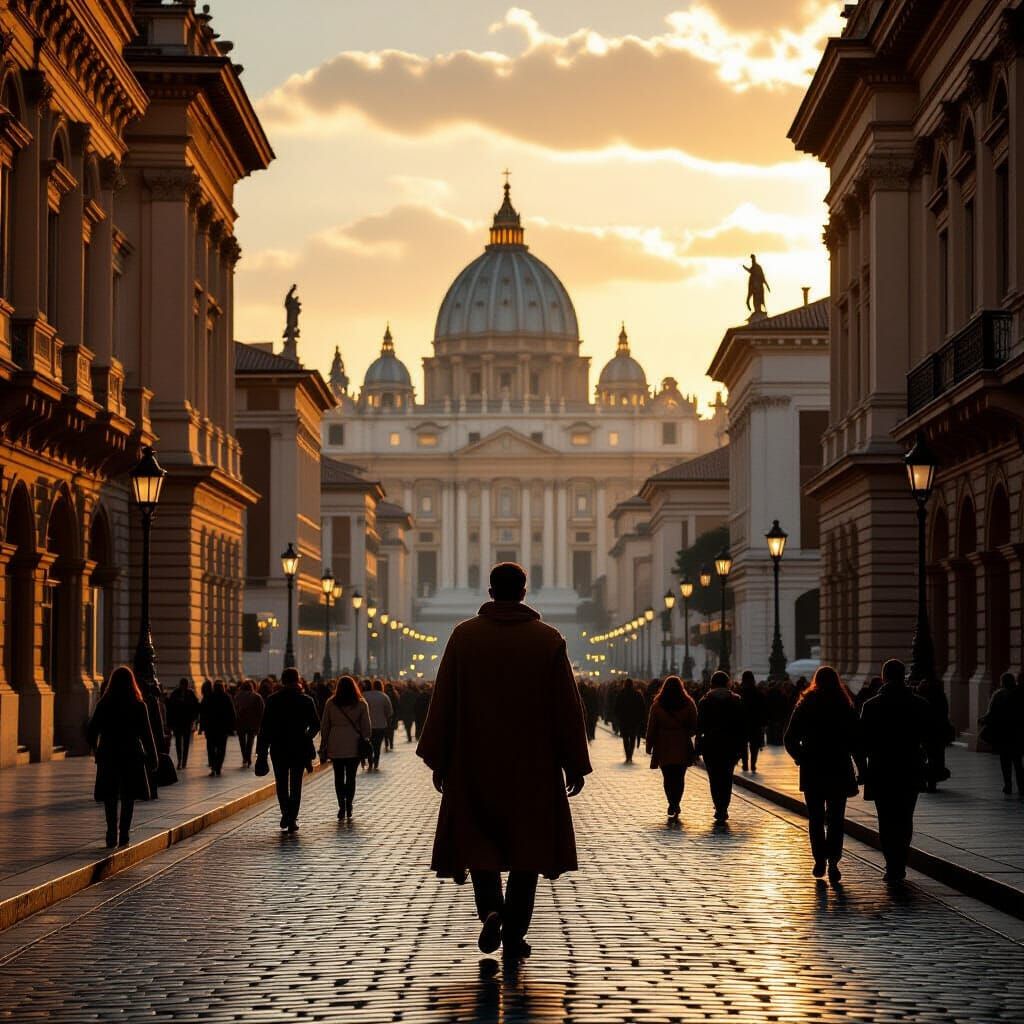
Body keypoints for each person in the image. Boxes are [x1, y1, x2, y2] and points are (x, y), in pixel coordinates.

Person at [418, 562, 591, 961]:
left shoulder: (464, 636)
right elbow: (566, 707)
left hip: (474, 762)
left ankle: (491, 912)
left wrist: (439, 758)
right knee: (528, 853)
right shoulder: (548, 639)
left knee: (480, 847)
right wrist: (574, 761)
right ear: (524, 592)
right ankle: (514, 933)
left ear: (491, 591)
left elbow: (444, 699)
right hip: (533, 766)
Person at [784, 666, 864, 884]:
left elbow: (789, 738)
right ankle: (834, 862)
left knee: (816, 818)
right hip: (838, 767)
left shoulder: (806, 704)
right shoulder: (844, 704)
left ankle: (819, 859)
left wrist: (800, 757)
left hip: (813, 768)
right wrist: (862, 768)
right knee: (836, 819)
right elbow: (856, 741)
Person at [860, 658, 931, 883]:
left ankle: (892, 864)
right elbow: (931, 737)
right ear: (904, 677)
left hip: (881, 769)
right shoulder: (920, 704)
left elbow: (861, 743)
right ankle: (900, 862)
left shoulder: (871, 706)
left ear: (884, 677)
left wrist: (862, 769)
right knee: (905, 817)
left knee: (886, 820)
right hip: (910, 767)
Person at [87, 666, 158, 848]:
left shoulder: (104, 704)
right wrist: (153, 757)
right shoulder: (138, 705)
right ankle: (124, 833)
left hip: (109, 753)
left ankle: (111, 832)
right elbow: (147, 734)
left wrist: (96, 749)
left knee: (110, 795)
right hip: (131, 753)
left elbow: (92, 730)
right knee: (128, 795)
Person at [255, 666, 321, 833]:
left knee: (281, 783)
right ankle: (292, 818)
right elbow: (315, 725)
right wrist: (306, 736)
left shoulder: (272, 700)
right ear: (298, 680)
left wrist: (262, 752)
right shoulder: (306, 700)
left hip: (279, 747)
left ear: (283, 681)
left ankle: (286, 812)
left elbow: (265, 728)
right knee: (296, 784)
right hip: (299, 747)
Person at [645, 675, 698, 821]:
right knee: (679, 777)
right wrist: (685, 732)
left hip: (664, 744)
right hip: (682, 744)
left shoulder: (657, 705)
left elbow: (651, 726)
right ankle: (676, 802)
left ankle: (671, 802)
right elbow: (695, 724)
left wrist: (649, 744)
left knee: (668, 777)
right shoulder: (688, 703)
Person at [320, 675, 372, 820]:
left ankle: (341, 806)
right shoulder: (360, 704)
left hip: (335, 742)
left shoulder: (331, 703)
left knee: (338, 777)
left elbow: (325, 725)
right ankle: (349, 804)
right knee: (351, 777)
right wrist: (365, 738)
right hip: (353, 743)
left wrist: (324, 743)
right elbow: (366, 727)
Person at [696, 670, 745, 822]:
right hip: (730, 744)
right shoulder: (736, 700)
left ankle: (718, 806)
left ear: (712, 683)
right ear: (727, 683)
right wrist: (742, 747)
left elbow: (700, 727)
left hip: (711, 744)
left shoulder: (705, 701)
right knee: (727, 776)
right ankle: (724, 806)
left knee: (714, 777)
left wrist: (697, 747)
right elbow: (741, 726)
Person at [980, 672, 1024, 795]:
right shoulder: (1021, 694)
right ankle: (1021, 787)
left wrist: (982, 720)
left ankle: (1008, 785)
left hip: (1003, 734)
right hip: (1017, 733)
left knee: (1005, 761)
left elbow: (991, 714)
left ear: (1002, 682)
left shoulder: (999, 695)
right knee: (1018, 762)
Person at [917, 675, 952, 791]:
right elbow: (944, 713)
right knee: (937, 756)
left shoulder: (922, 697)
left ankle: (928, 780)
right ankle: (933, 780)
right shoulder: (940, 696)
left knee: (927, 756)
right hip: (938, 731)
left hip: (927, 731)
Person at [200, 679, 235, 776]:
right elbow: (231, 713)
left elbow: (203, 713)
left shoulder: (208, 697)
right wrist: (232, 727)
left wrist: (202, 726)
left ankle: (213, 766)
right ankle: (218, 766)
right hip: (223, 728)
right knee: (221, 749)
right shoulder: (227, 697)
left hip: (210, 728)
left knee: (211, 748)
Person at [166, 678, 199, 770]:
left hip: (187, 722)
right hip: (178, 722)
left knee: (186, 742)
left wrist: (194, 718)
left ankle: (183, 761)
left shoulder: (190, 694)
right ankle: (180, 760)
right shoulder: (175, 694)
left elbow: (195, 707)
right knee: (178, 742)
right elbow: (170, 708)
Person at [233, 680, 264, 769]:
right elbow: (261, 710)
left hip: (240, 722)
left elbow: (234, 709)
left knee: (242, 742)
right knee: (250, 741)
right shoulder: (257, 696)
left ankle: (244, 757)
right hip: (252, 723)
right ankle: (248, 757)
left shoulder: (237, 696)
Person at [363, 679, 393, 771]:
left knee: (369, 744)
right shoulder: (384, 696)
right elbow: (389, 712)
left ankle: (370, 762)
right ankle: (376, 762)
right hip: (380, 725)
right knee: (377, 745)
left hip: (368, 725)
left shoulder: (365, 695)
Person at [739, 671, 766, 772]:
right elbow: (763, 710)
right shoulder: (758, 693)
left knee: (743, 745)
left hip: (743, 723)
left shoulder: (740, 693)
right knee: (754, 746)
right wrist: (763, 723)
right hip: (755, 723)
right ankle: (753, 764)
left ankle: (745, 764)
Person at [614, 680, 646, 763]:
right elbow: (642, 708)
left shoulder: (621, 694)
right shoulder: (637, 694)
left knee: (625, 738)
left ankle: (627, 755)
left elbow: (616, 707)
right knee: (632, 738)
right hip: (634, 720)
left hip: (624, 720)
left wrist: (618, 718)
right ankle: (630, 755)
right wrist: (641, 718)